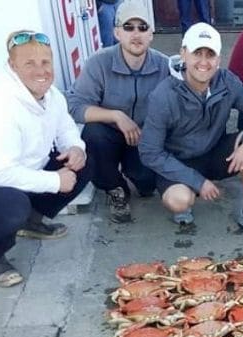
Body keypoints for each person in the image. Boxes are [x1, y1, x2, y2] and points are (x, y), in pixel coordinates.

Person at [139, 23, 243, 242]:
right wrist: (196, 181)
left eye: (210, 54)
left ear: (219, 59)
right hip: (179, 161)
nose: (204, 62)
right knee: (179, 200)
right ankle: (188, 193)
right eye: (197, 53)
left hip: (215, 152)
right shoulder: (163, 95)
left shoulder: (227, 81)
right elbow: (149, 151)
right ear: (183, 53)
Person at [0, 30, 90, 287]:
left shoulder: (52, 95)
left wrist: (76, 148)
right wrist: (54, 181)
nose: (40, 70)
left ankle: (31, 221)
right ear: (12, 66)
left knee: (85, 161)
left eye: (45, 62)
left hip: (24, 173)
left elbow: (66, 129)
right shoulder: (0, 103)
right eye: (29, 63)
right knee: (12, 206)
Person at [67, 0, 170, 223]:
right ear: (116, 32)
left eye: (142, 28)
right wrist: (116, 116)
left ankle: (138, 177)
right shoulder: (98, 62)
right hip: (109, 134)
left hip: (144, 138)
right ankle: (115, 188)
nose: (136, 34)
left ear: (151, 34)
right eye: (128, 27)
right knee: (92, 135)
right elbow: (75, 105)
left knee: (146, 184)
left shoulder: (165, 66)